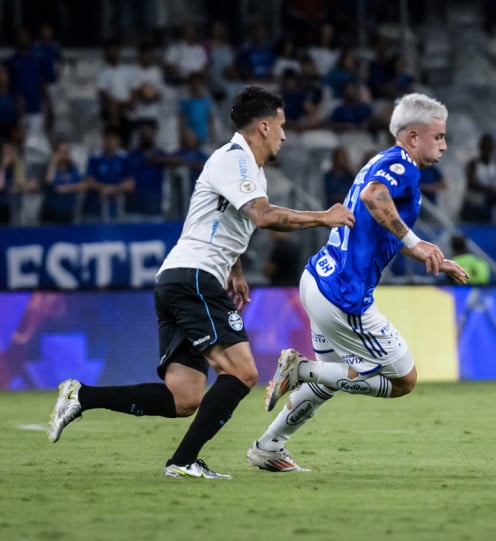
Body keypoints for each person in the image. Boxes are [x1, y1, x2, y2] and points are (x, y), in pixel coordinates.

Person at [47, 86, 355, 479]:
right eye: (281, 125)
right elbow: (261, 216)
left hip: (179, 278)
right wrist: (323, 216)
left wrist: (235, 269)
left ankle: (82, 396)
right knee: (243, 373)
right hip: (193, 278)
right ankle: (182, 461)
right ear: (263, 125)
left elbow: (221, 221)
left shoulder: (247, 168)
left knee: (185, 397)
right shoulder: (236, 160)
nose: (284, 134)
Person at [246, 92, 469, 472]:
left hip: (318, 280)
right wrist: (415, 241)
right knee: (403, 380)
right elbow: (373, 197)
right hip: (344, 297)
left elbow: (380, 228)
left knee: (330, 381)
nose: (444, 145)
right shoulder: (403, 165)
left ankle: (268, 446)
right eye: (439, 137)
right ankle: (300, 370)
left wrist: (432, 256)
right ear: (413, 137)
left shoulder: (379, 162)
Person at [460, 133, 496, 223]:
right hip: (479, 195)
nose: (487, 149)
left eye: (489, 147)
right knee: (477, 200)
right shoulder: (473, 163)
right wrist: (489, 189)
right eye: (484, 147)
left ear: (493, 148)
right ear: (480, 147)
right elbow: (471, 183)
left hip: (494, 195)